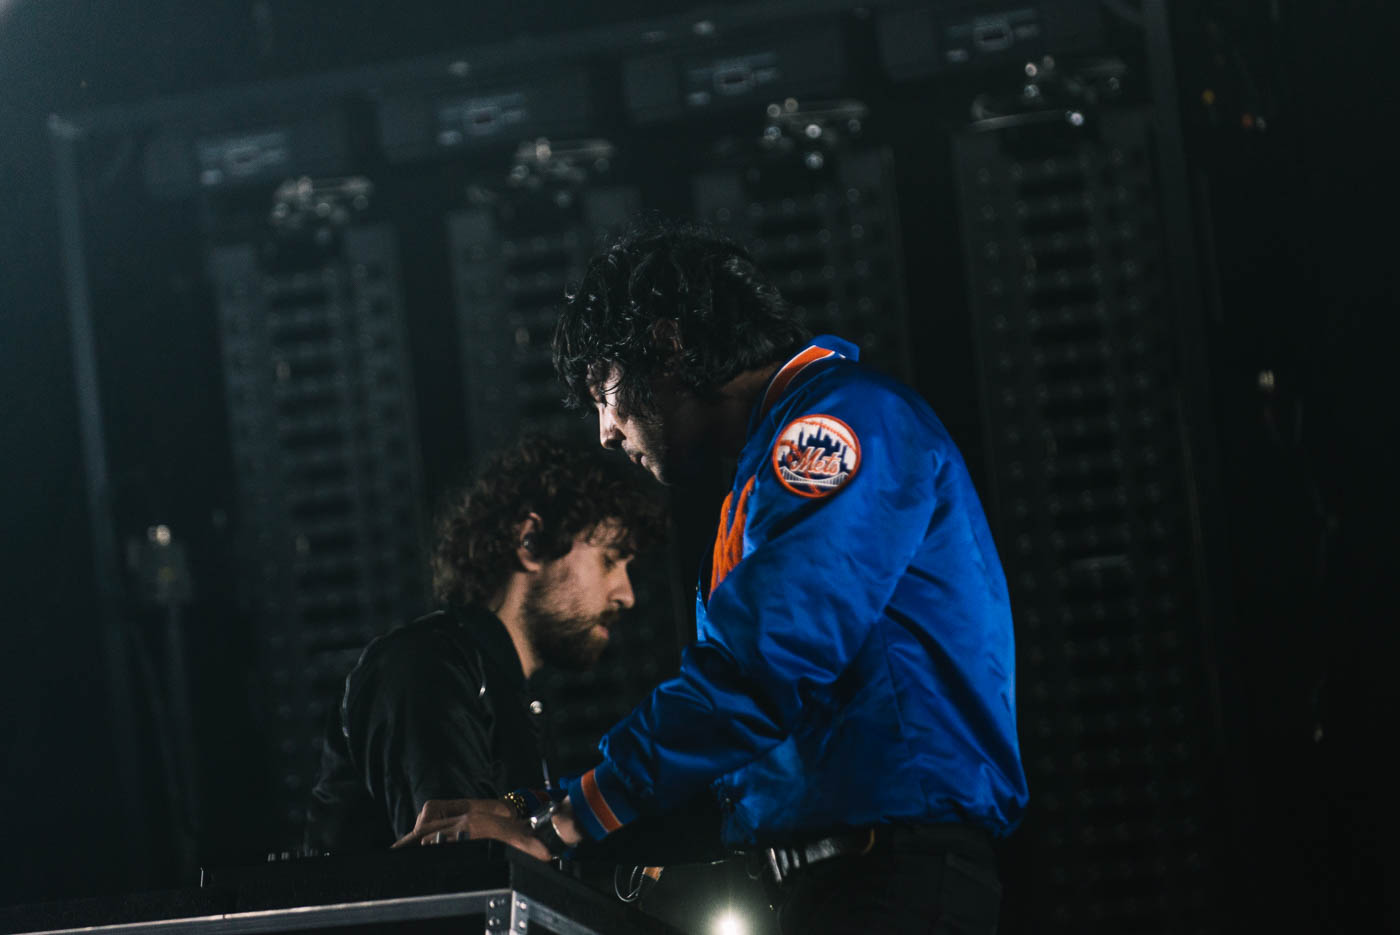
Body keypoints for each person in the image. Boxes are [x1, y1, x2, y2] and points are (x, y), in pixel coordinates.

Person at [401, 224, 1028, 934]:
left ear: (668, 347)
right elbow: (739, 754)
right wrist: (534, 812)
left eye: (604, 390)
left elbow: (760, 669)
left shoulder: (837, 424)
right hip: (846, 883)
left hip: (891, 883)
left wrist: (561, 823)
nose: (605, 430)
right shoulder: (770, 467)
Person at [303, 435, 664, 852]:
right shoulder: (427, 666)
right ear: (531, 542)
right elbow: (460, 865)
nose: (626, 595)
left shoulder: (504, 694)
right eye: (610, 560)